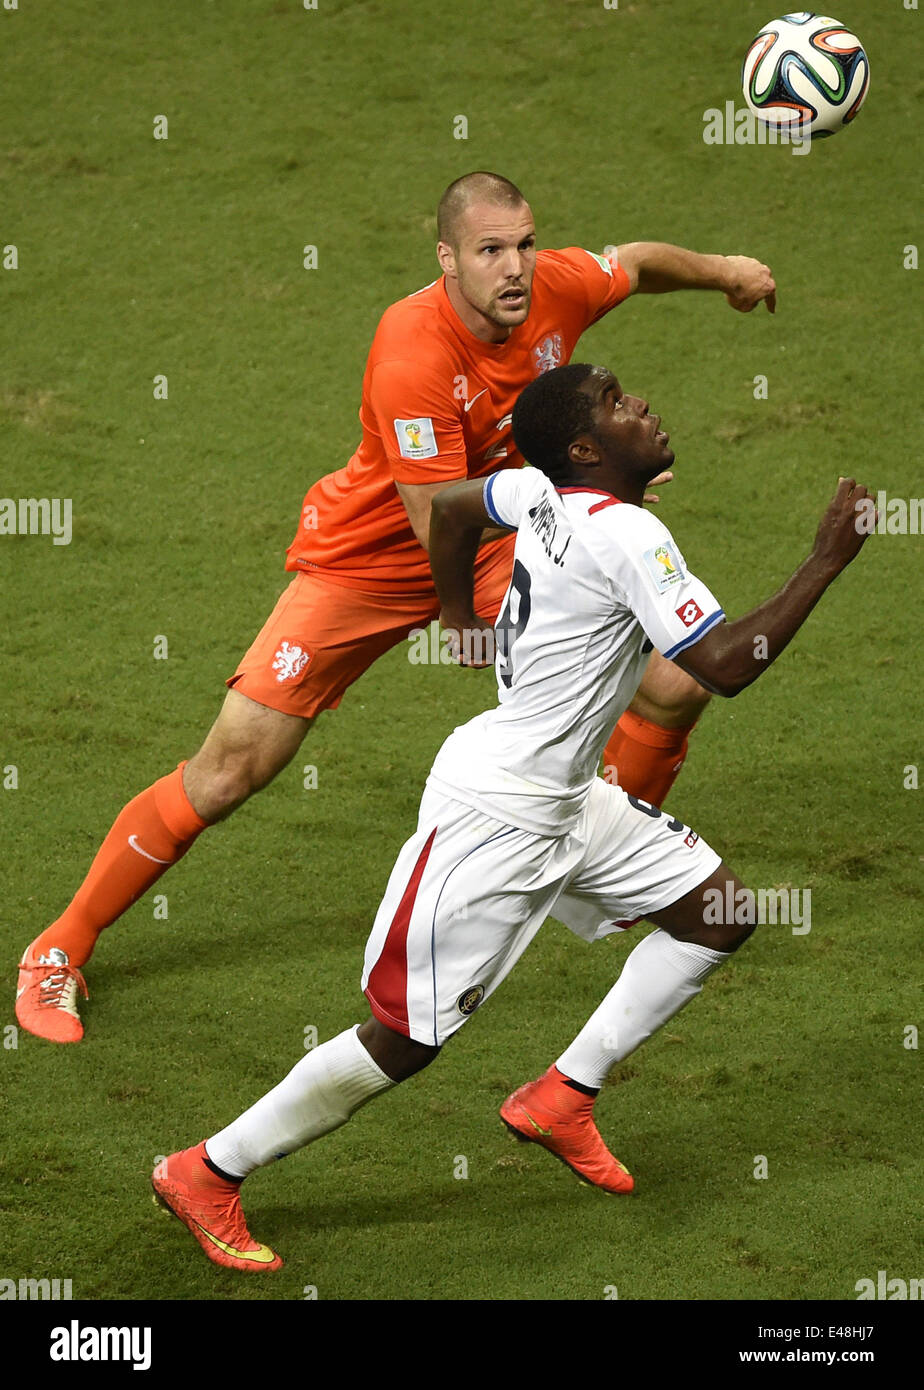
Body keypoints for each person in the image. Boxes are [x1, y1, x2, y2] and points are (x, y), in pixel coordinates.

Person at [16, 171, 776, 1044]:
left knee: (676, 687)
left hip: (503, 537)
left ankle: (586, 854)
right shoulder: (413, 348)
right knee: (231, 767)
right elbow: (434, 519)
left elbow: (634, 265)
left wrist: (725, 270)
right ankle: (59, 948)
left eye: (524, 244)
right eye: (491, 251)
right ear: (447, 258)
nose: (516, 268)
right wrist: (593, 483)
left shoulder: (554, 287)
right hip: (379, 556)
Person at [150, 362, 870, 1272]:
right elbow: (725, 663)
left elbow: (452, 510)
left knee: (717, 913)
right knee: (404, 1040)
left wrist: (458, 617)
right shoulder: (627, 535)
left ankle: (564, 1095)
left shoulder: (534, 487)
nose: (642, 403)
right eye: (617, 403)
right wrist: (825, 559)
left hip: (569, 798)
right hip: (496, 818)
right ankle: (210, 1168)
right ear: (584, 450)